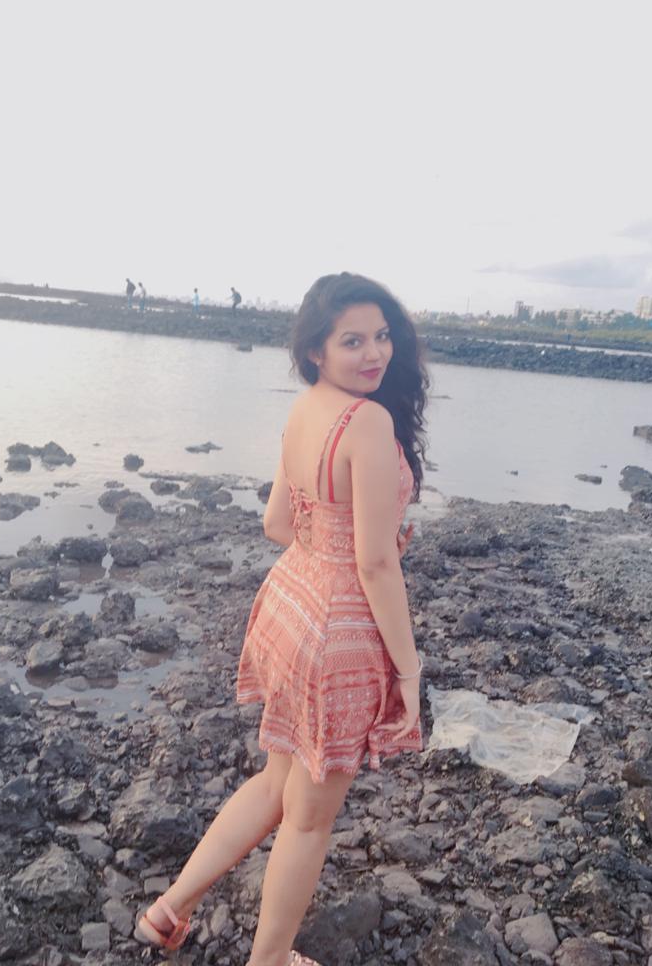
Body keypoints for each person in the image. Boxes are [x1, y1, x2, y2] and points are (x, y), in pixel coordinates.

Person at [138, 272, 429, 966]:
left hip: (289, 605)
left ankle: (167, 910)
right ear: (315, 350)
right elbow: (375, 566)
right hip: (338, 634)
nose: (374, 352)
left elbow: (277, 523)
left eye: (382, 335)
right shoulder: (367, 422)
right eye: (352, 340)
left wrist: (337, 537)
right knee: (307, 820)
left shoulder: (306, 409)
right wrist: (409, 670)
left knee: (276, 784)